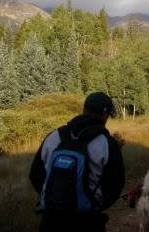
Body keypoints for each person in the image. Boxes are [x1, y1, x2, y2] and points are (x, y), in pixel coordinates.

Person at [30, 92, 125, 232]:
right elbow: (116, 185)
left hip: (50, 221)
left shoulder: (54, 136)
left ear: (84, 109)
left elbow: (35, 174)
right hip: (88, 222)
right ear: (105, 114)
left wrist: (55, 197)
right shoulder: (107, 143)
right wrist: (93, 204)